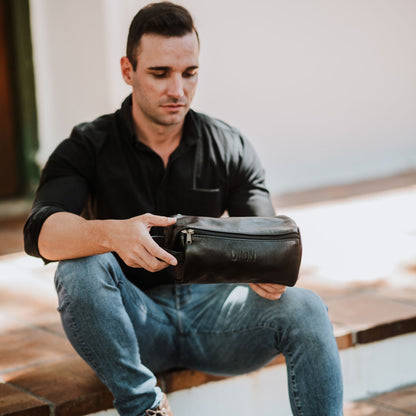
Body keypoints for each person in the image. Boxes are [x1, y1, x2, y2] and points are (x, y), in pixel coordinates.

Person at [24, 2, 343, 415]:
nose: (178, 90)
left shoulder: (227, 144)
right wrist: (112, 234)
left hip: (218, 321)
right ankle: (145, 407)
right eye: (160, 73)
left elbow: (266, 237)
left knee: (307, 308)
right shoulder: (87, 145)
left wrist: (268, 269)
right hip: (134, 323)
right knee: (79, 268)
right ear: (128, 71)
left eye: (189, 73)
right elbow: (40, 233)